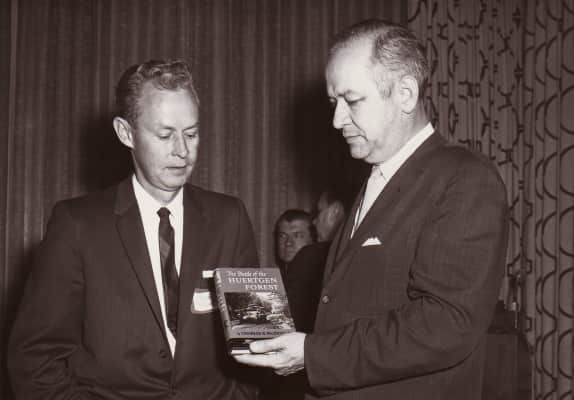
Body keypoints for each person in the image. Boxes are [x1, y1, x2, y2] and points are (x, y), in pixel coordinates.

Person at [233, 20, 509, 400]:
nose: (336, 120)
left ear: (405, 94)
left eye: (352, 100)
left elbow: (447, 322)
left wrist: (313, 354)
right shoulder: (372, 180)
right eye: (334, 103)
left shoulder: (465, 179)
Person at [8, 60, 259, 399]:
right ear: (126, 133)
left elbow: (254, 343)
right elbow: (33, 359)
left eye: (191, 134)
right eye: (165, 135)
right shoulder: (77, 224)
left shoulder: (230, 218)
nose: (182, 151)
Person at [274, 209, 315, 273]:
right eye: (283, 236)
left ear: (312, 239)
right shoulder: (270, 277)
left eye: (297, 236)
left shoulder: (325, 277)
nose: (288, 243)